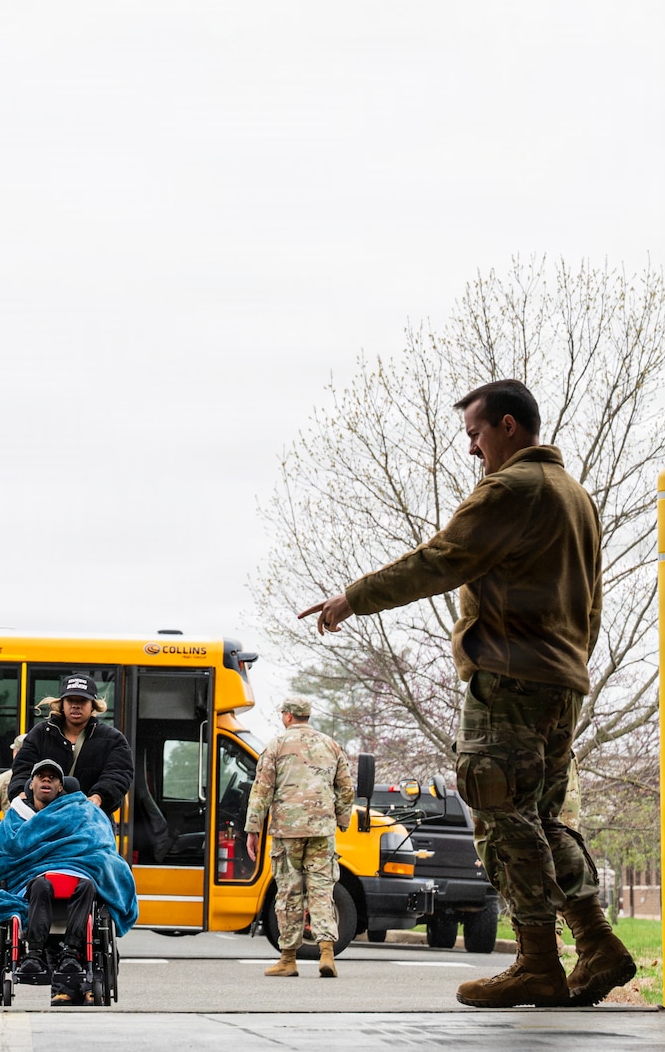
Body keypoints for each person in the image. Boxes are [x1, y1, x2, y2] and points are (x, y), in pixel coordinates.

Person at [299, 377, 635, 1008]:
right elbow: (591, 603)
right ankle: (597, 942)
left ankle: (538, 962)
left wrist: (355, 598)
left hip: (509, 680)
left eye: (476, 435)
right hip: (561, 682)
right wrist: (570, 667)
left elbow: (443, 558)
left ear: (509, 427)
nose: (472, 451)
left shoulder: (513, 488)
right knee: (540, 819)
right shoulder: (575, 494)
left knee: (500, 816)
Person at [0, 759, 138, 1007]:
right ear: (30, 784)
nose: (46, 780)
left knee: (87, 885)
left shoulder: (80, 811)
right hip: (32, 876)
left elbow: (96, 841)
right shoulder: (17, 815)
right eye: (41, 776)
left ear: (61, 787)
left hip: (77, 871)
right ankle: (33, 954)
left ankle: (72, 955)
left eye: (52, 777)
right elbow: (3, 850)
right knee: (41, 885)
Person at [244, 696, 354, 979]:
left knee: (289, 892)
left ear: (289, 716)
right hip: (321, 831)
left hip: (287, 831)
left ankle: (288, 959)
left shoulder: (276, 746)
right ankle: (327, 953)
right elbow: (346, 788)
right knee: (321, 890)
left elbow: (261, 790)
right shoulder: (331, 745)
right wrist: (340, 820)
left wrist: (253, 829)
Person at [7, 675, 133, 814]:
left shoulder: (113, 739)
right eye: (70, 700)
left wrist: (98, 797)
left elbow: (118, 775)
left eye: (82, 701)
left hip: (92, 818)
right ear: (62, 704)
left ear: (93, 705)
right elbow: (21, 770)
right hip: (43, 817)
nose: (75, 705)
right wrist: (21, 795)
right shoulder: (40, 734)